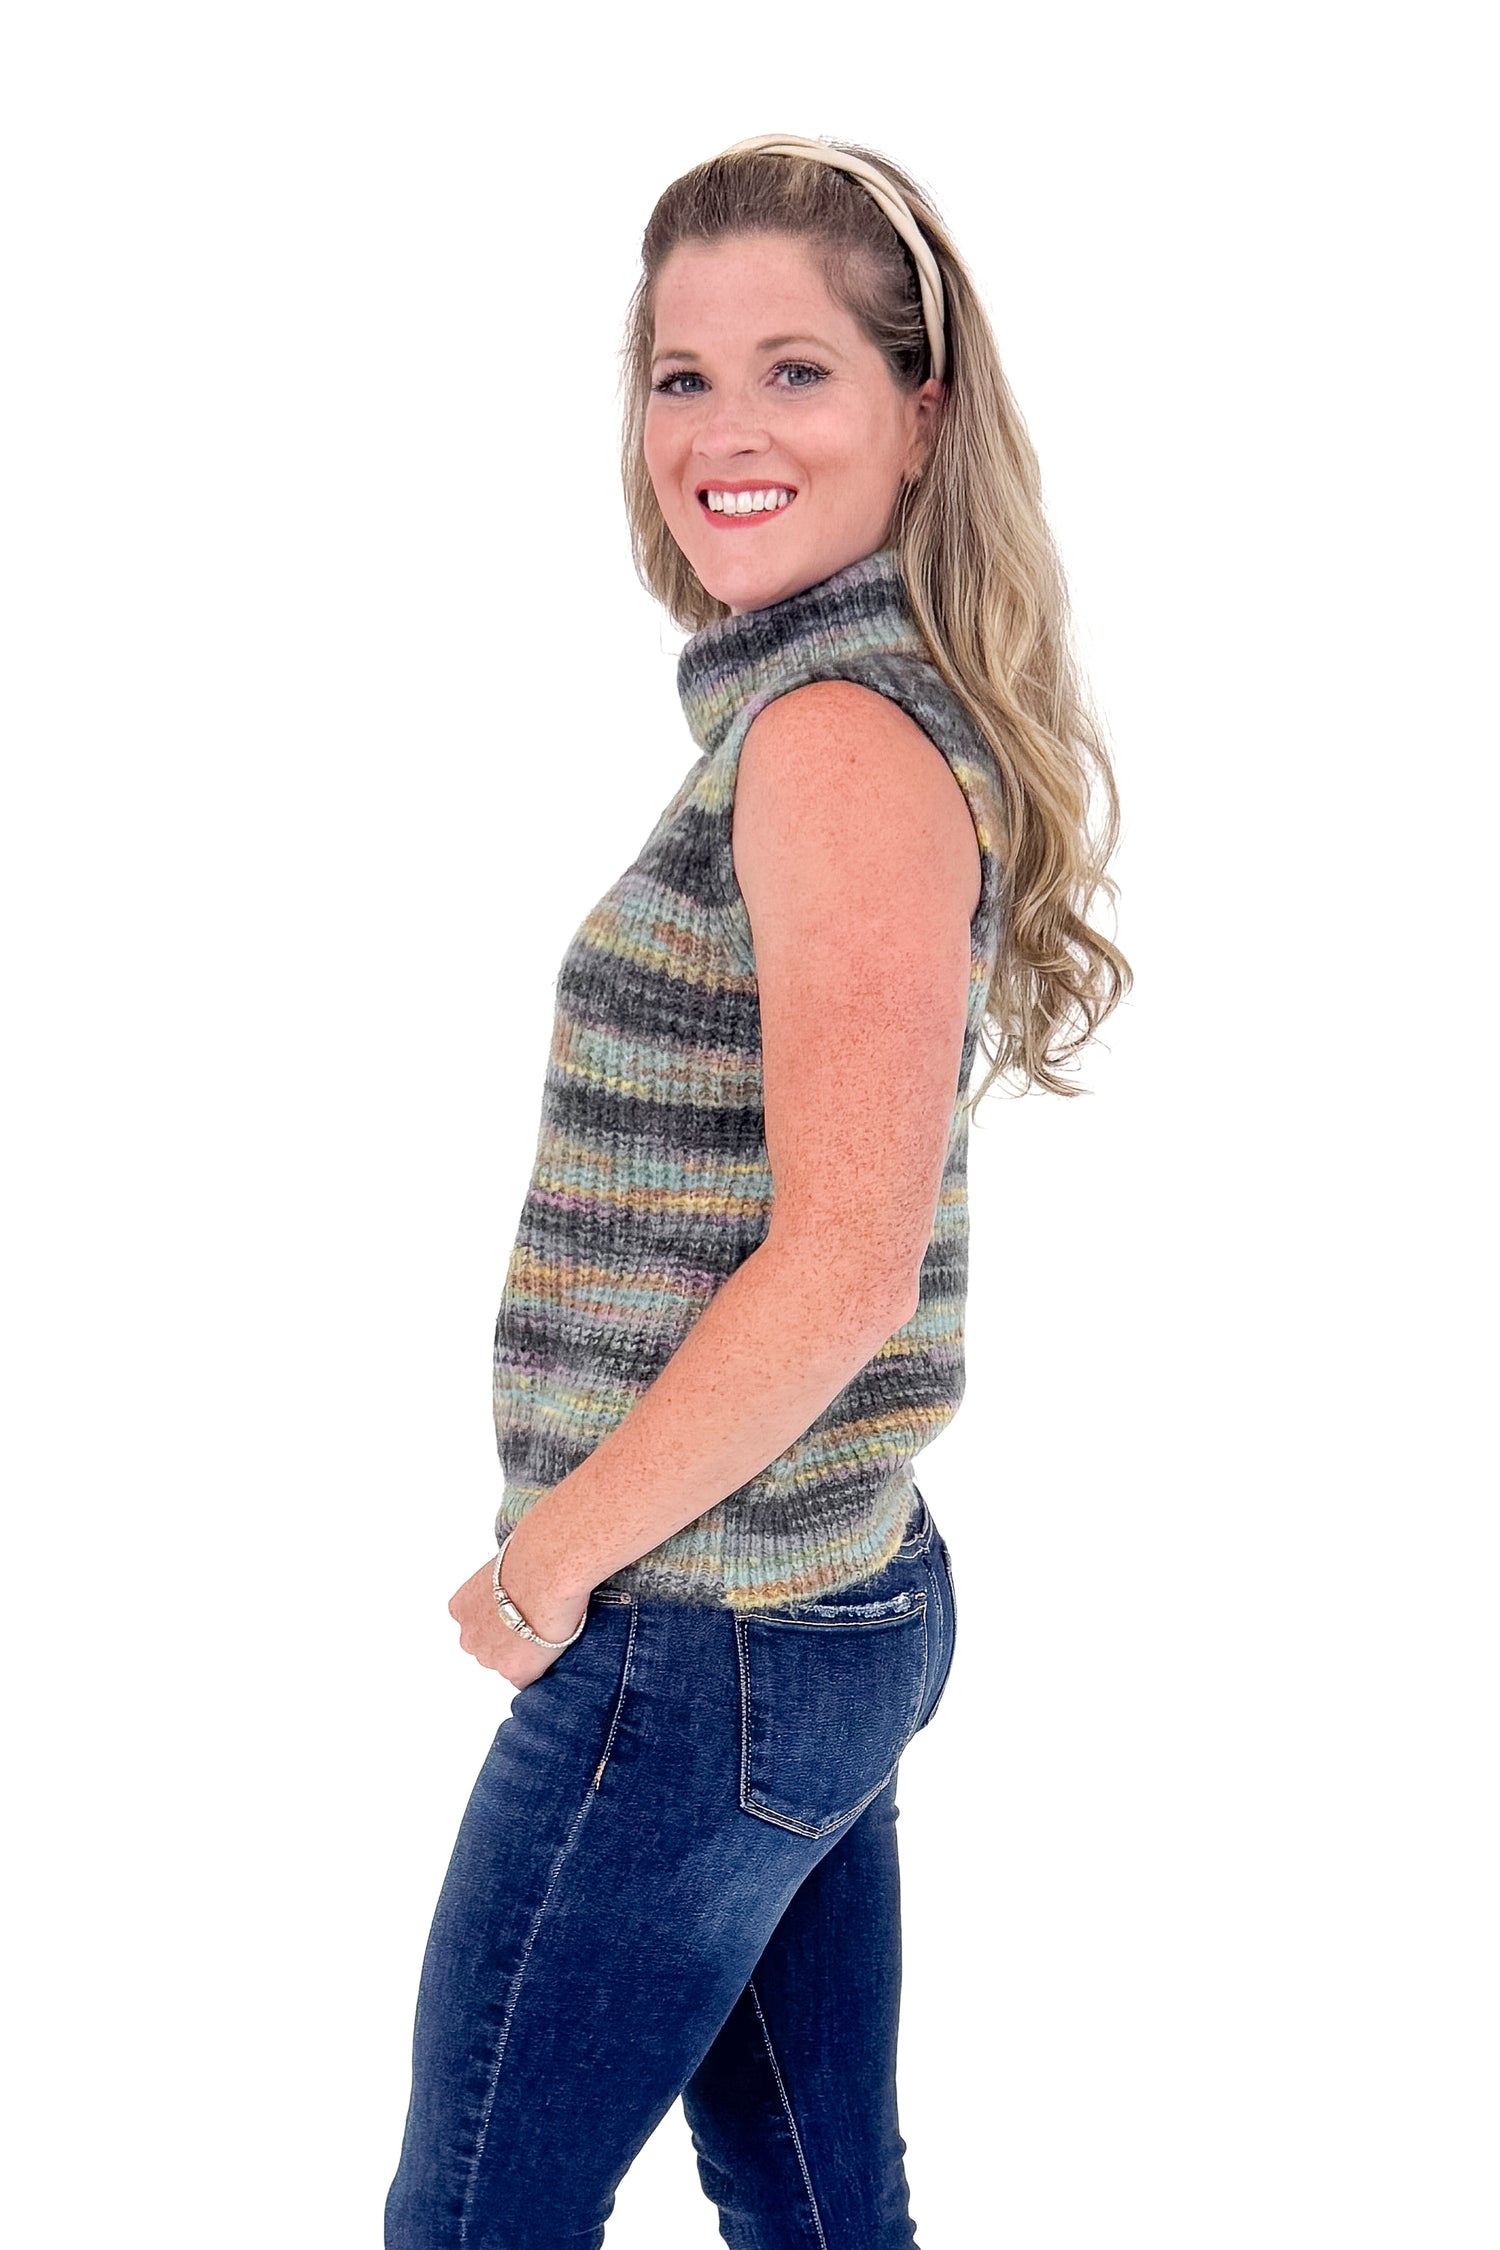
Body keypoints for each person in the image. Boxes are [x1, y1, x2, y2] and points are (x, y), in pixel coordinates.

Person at [385, 132, 1130, 2250]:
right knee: (814, 2206)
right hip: (815, 1608)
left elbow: (844, 1266)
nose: (724, 431)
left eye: (797, 370)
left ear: (924, 410)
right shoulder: (825, 719)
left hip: (696, 1638)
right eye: (681, 375)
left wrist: (548, 1568)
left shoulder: (831, 742)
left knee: (474, 2216)